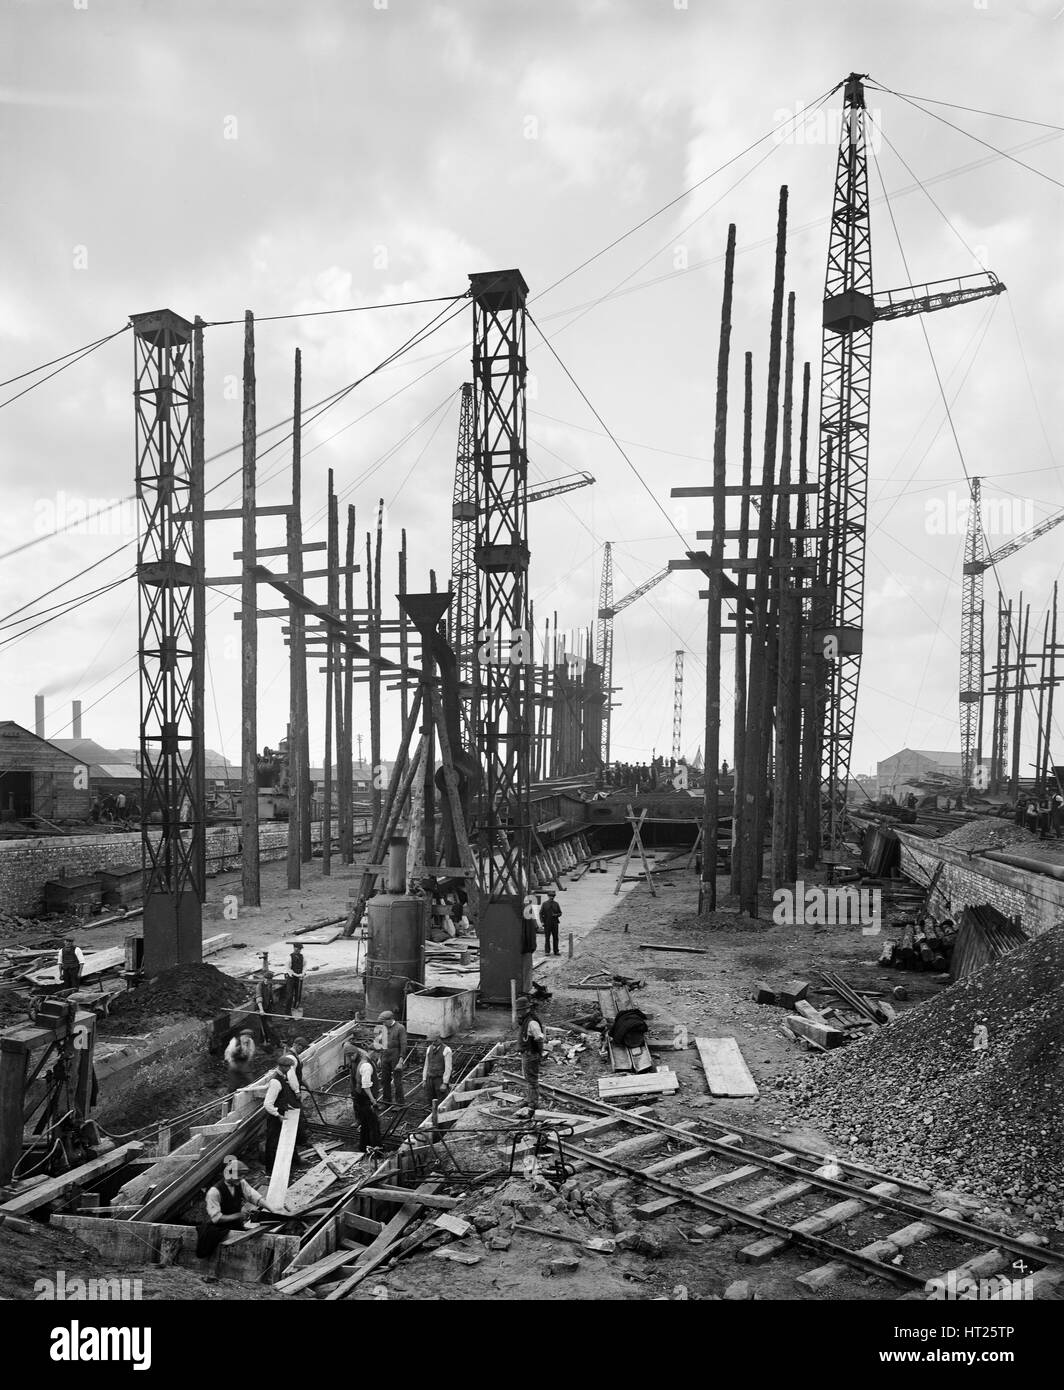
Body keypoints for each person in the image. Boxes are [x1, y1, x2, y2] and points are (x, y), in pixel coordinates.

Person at [197, 1157, 272, 1258]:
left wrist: (273, 1209)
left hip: (235, 1225)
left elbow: (255, 1197)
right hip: (217, 1228)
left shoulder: (241, 1183)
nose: (241, 1178)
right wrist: (239, 1215)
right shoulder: (214, 1192)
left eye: (242, 1175)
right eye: (239, 1175)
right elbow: (216, 1218)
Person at [262, 1056, 301, 1173]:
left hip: (282, 1112)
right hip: (275, 1117)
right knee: (272, 1142)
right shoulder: (275, 1082)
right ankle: (270, 1170)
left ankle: (294, 1161)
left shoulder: (282, 1077)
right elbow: (268, 1104)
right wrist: (278, 1115)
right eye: (288, 1067)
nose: (289, 1069)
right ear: (282, 1067)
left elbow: (281, 1097)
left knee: (288, 1137)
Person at [347, 1045, 381, 1151]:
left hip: (359, 1097)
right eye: (379, 1053)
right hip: (365, 1099)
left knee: (365, 1124)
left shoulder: (360, 1062)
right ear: (373, 1052)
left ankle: (363, 1146)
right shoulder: (366, 1065)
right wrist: (373, 1100)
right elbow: (366, 1085)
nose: (379, 1056)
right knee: (374, 1124)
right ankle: (377, 1148)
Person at [516, 994, 545, 1115]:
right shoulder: (525, 1020)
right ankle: (529, 1099)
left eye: (520, 1010)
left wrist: (537, 1052)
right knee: (528, 1078)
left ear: (526, 1009)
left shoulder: (532, 1022)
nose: (518, 1013)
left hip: (531, 1054)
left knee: (532, 1079)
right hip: (526, 1053)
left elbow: (539, 1037)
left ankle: (533, 1103)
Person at [375, 1011, 407, 1105]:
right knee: (385, 1080)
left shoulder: (400, 1028)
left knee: (397, 1081)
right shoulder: (384, 1028)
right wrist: (380, 1058)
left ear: (390, 1019)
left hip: (395, 1056)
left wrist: (400, 1061)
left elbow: (403, 1044)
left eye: (384, 1021)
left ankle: (400, 1103)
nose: (383, 1023)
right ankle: (386, 1101)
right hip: (385, 1055)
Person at [422, 1038, 453, 1104]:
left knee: (441, 1100)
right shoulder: (429, 1049)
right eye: (432, 1041)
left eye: (435, 1040)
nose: (434, 1042)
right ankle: (432, 1113)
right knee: (430, 1098)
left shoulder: (446, 1050)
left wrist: (445, 1083)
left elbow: (448, 1068)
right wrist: (424, 1079)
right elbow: (426, 1065)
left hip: (439, 1079)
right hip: (430, 1079)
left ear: (439, 1039)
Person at [255, 970, 278, 1047]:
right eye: (266, 979)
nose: (267, 981)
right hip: (260, 1008)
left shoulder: (270, 985)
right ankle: (262, 1041)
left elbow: (271, 996)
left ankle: (269, 1039)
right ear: (263, 978)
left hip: (268, 1007)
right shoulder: (259, 986)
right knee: (263, 1024)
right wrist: (261, 1010)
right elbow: (259, 998)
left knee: (268, 1024)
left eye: (269, 980)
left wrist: (272, 1005)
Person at [284, 944, 305, 1015]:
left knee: (298, 994)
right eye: (297, 949)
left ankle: (295, 1008)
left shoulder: (302, 957)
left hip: (299, 977)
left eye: (299, 949)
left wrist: (303, 973)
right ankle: (287, 1013)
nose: (298, 950)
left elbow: (305, 966)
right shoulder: (289, 957)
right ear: (294, 948)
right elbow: (288, 969)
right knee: (289, 995)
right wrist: (297, 975)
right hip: (291, 978)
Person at [540, 889, 562, 957]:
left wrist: (556, 915)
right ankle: (547, 951)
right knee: (547, 938)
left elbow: (560, 913)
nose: (551, 897)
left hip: (555, 923)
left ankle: (556, 951)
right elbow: (541, 913)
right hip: (547, 923)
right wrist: (542, 922)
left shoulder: (556, 904)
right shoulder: (544, 904)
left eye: (553, 896)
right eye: (550, 896)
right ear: (548, 896)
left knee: (555, 937)